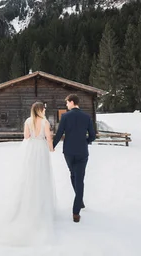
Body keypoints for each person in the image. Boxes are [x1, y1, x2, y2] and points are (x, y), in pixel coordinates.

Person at [0, 101, 57, 246]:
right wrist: (51, 148)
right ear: (40, 110)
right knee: (41, 176)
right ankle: (41, 207)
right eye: (43, 108)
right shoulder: (45, 122)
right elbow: (49, 138)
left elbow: (26, 137)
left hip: (31, 149)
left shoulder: (28, 121)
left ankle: (26, 205)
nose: (44, 110)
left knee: (29, 175)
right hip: (41, 149)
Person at [52, 94, 96, 223]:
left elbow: (59, 133)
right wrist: (85, 141)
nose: (66, 105)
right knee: (79, 178)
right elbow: (92, 136)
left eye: (67, 103)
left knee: (73, 175)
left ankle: (76, 209)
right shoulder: (87, 117)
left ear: (72, 102)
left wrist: (52, 146)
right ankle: (78, 204)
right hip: (82, 152)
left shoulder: (65, 116)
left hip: (69, 152)